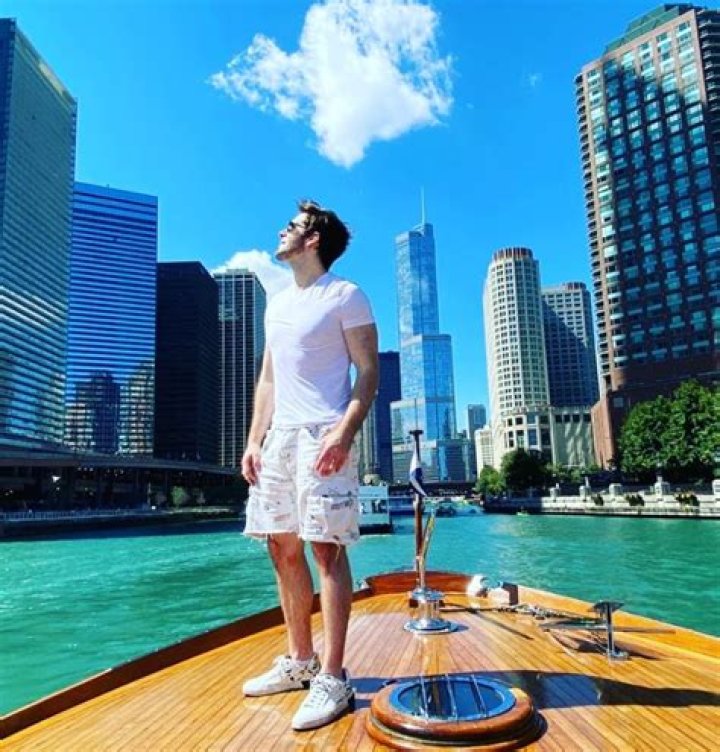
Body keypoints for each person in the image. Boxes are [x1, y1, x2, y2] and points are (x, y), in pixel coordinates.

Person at [240, 200, 378, 731]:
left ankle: (334, 678)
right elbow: (269, 379)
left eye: (292, 226)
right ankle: (301, 662)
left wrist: (344, 433)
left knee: (326, 548)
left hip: (325, 433)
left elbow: (368, 373)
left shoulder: (345, 295)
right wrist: (255, 440)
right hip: (280, 439)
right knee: (280, 545)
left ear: (314, 239)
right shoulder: (277, 303)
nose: (283, 231)